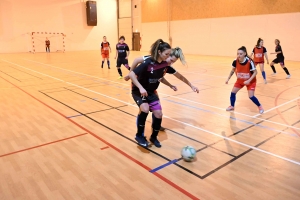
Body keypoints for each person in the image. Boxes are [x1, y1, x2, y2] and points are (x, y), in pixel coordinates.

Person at [125, 47, 199, 131]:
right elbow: (137, 60)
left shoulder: (166, 66)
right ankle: (140, 131)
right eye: (171, 60)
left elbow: (178, 76)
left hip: (151, 88)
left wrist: (191, 85)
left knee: (157, 107)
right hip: (140, 86)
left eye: (173, 62)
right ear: (166, 55)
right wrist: (130, 73)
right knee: (143, 109)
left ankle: (156, 125)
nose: (171, 63)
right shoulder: (152, 59)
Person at [225, 46, 264, 114]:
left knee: (251, 96)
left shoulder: (250, 62)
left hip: (250, 81)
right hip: (240, 80)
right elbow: (232, 70)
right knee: (233, 92)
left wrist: (249, 81)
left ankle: (260, 106)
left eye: (240, 54)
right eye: (238, 53)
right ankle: (232, 106)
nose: (238, 55)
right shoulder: (235, 61)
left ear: (244, 54)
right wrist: (228, 78)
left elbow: (255, 72)